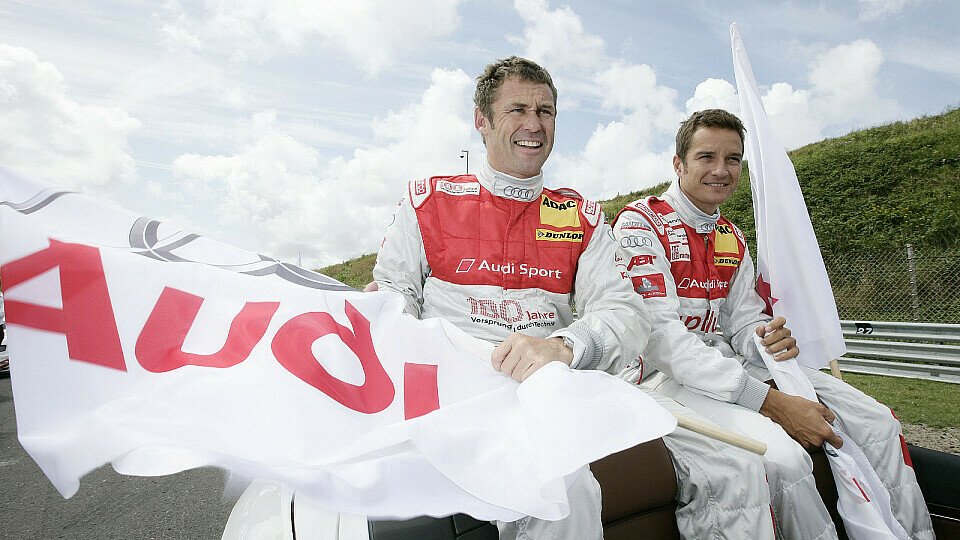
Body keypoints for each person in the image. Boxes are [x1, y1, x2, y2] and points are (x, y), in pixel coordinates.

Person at [372, 58, 774, 540]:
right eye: (517, 110)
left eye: (545, 112)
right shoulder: (426, 200)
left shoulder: (581, 214)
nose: (534, 124)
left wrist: (563, 346)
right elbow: (392, 300)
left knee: (715, 470)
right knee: (562, 488)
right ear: (482, 120)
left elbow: (625, 313)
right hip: (456, 392)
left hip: (547, 389)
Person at [612, 108, 934, 539]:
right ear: (679, 164)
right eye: (707, 157)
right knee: (784, 459)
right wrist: (772, 402)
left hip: (727, 366)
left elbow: (744, 319)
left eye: (733, 159)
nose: (721, 170)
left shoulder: (730, 235)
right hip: (661, 377)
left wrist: (767, 338)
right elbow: (662, 340)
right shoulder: (639, 223)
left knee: (879, 423)